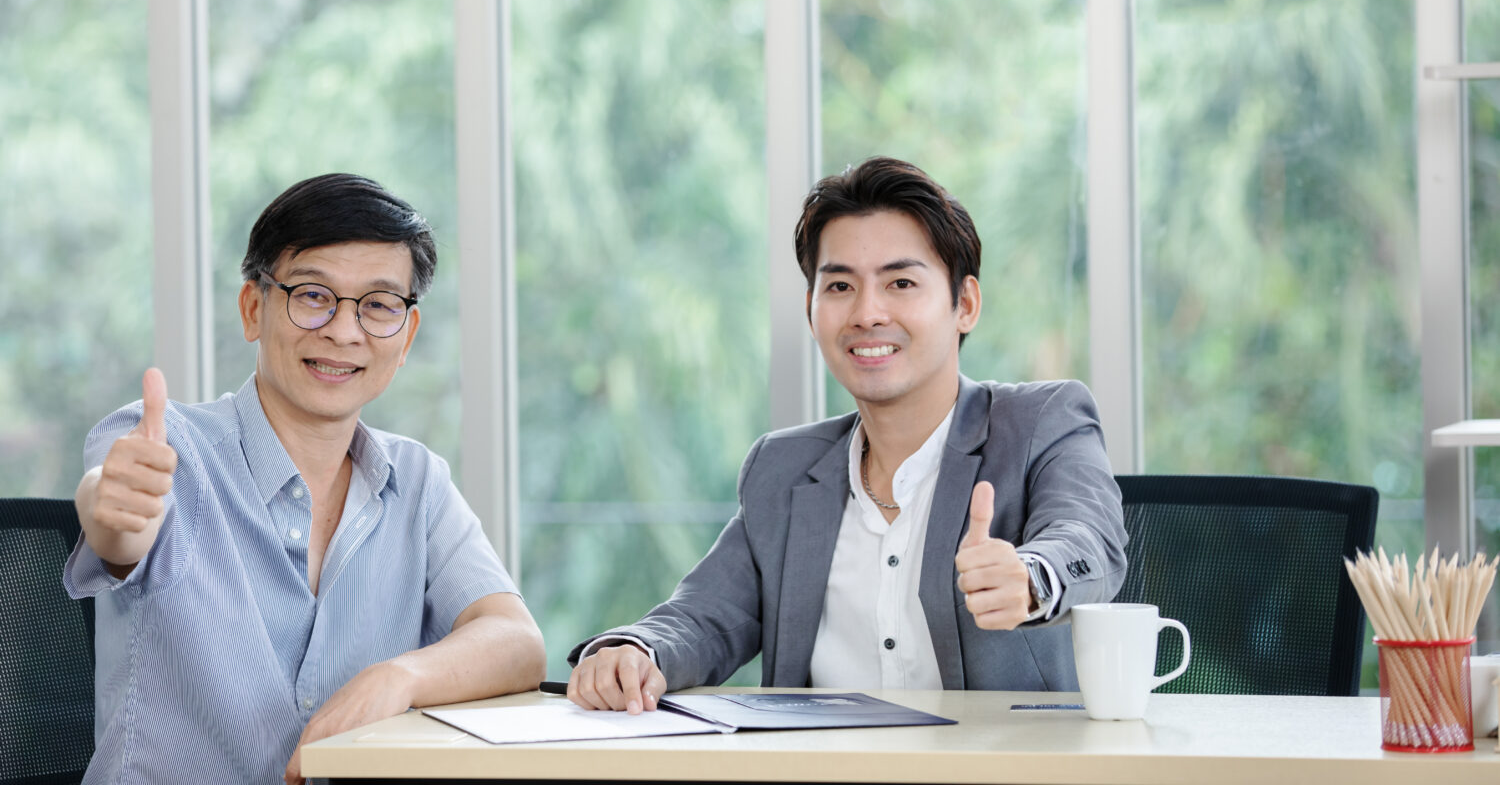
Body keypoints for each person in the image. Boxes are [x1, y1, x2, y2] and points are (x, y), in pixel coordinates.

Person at [567, 156, 1126, 713]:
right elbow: (706, 614)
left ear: (965, 304)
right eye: (839, 286)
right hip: (821, 772)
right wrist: (635, 651)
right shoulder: (782, 467)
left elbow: (1089, 541)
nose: (867, 313)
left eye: (901, 282)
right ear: (812, 313)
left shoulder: (1041, 422)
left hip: (1001, 774)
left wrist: (1032, 578)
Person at [67, 173, 545, 784]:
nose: (345, 331)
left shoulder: (417, 482)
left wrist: (398, 678)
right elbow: (115, 522)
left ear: (405, 338)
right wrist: (111, 511)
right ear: (252, 308)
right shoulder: (161, 445)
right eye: (314, 295)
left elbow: (515, 641)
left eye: (377, 306)